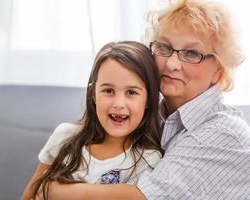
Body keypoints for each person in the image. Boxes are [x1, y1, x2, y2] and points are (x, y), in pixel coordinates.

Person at [33, 0, 250, 199]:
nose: (172, 64)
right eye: (164, 47)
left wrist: (51, 189)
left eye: (192, 53)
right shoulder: (155, 118)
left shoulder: (224, 131)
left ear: (218, 71)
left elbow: (144, 197)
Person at [21, 41, 164, 200]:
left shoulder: (148, 160)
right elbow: (29, 194)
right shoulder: (65, 136)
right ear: (93, 94)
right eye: (108, 90)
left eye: (131, 92)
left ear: (149, 100)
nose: (118, 104)